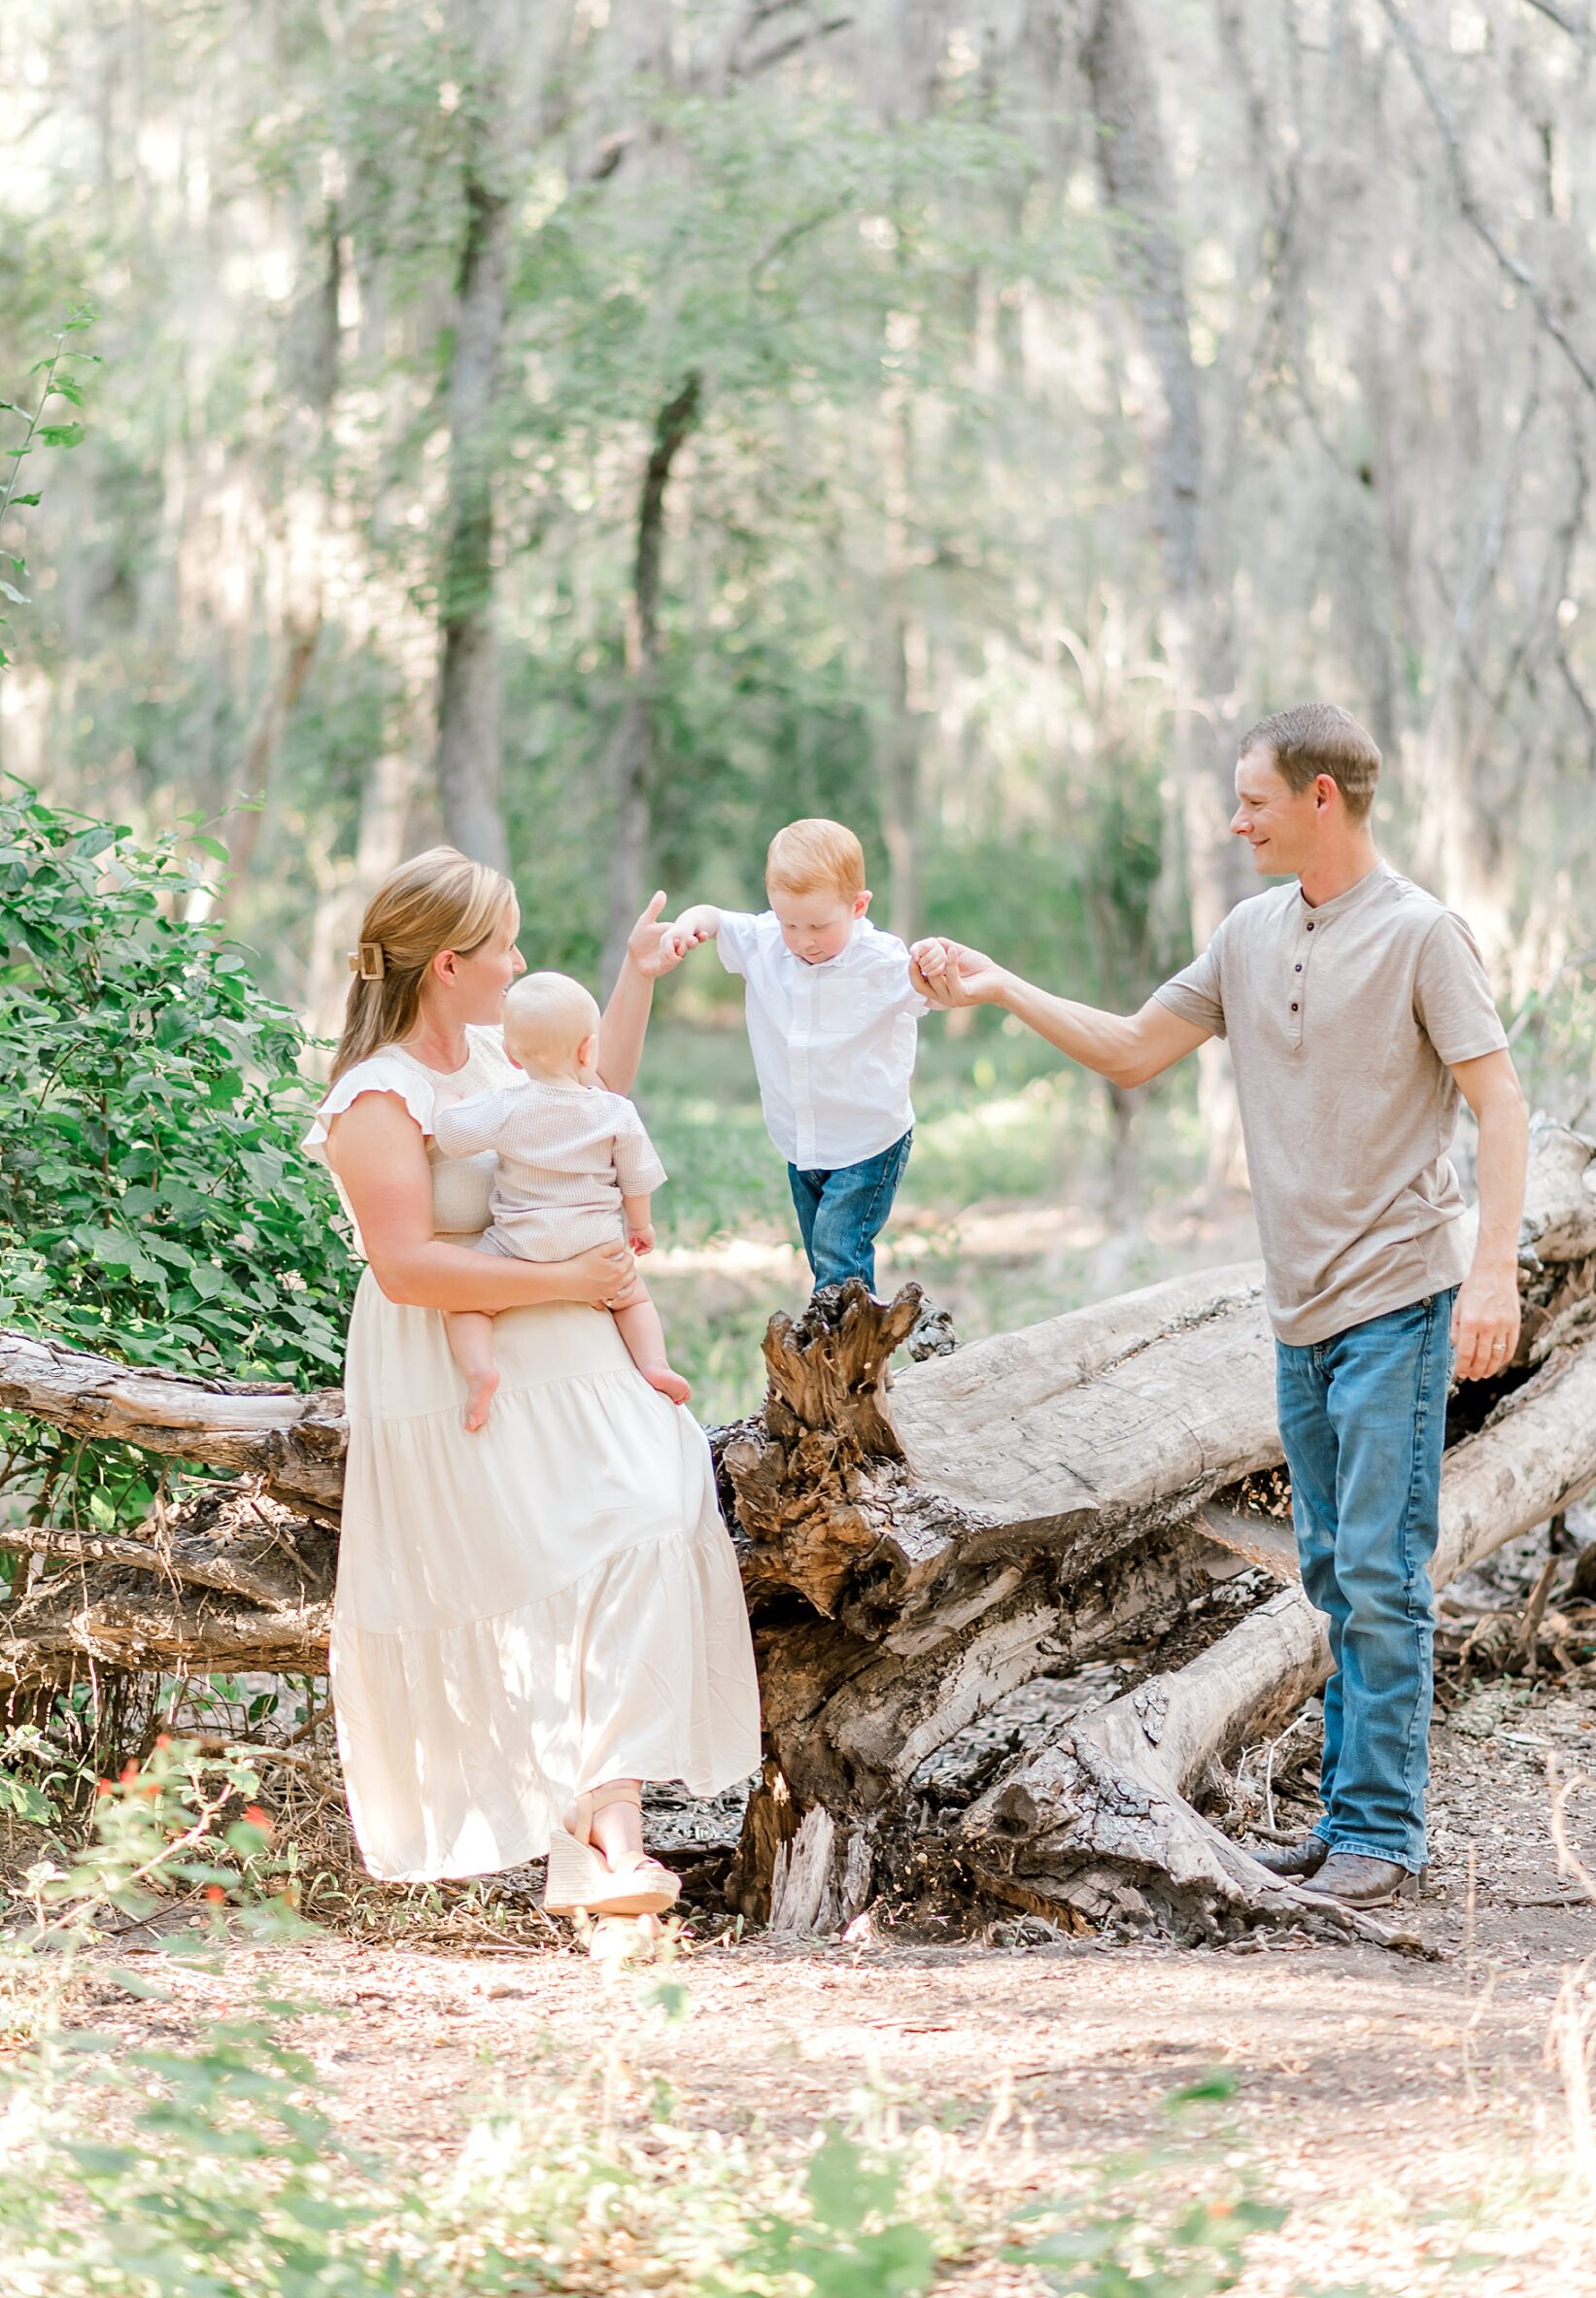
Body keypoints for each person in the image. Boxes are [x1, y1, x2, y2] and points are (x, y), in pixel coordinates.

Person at [912, 703, 1528, 1909]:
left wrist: (1491, 1271)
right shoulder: (1249, 932)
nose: (1232, 818)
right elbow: (1135, 1048)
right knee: (1328, 1570)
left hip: (1399, 1297)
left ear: (1319, 800)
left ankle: (1381, 1834)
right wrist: (1001, 988)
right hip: (1296, 1310)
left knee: (1377, 1568)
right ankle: (1355, 1819)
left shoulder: (1419, 934)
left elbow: (1497, 1105)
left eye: (1250, 799)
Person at [303, 848, 761, 1923]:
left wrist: (637, 977)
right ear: (449, 963)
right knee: (550, 1562)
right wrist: (560, 1276)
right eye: (503, 944)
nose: (519, 960)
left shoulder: (507, 1054)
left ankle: (599, 1843)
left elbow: (595, 1099)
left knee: (657, 1501)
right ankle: (608, 1852)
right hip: (452, 1358)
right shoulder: (379, 1096)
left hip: (567, 1344)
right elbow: (406, 1263)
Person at [668, 818, 946, 1293]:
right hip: (800, 1140)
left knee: (839, 1256)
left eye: (819, 925)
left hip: (867, 1138)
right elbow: (715, 917)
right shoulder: (764, 942)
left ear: (858, 906)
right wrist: (689, 923)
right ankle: (848, 1349)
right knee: (822, 1251)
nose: (803, 939)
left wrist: (937, 962)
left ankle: (842, 1356)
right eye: (789, 923)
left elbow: (937, 994)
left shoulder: (882, 961)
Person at [432, 969, 689, 1431]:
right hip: (594, 1243)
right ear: (589, 1048)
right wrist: (640, 1227)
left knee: (465, 1301)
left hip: (521, 1242)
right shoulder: (614, 1109)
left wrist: (448, 1101)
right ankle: (653, 1364)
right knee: (632, 1299)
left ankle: (480, 1373)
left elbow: (452, 1136)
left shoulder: (508, 1103)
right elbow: (637, 1176)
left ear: (510, 1053)